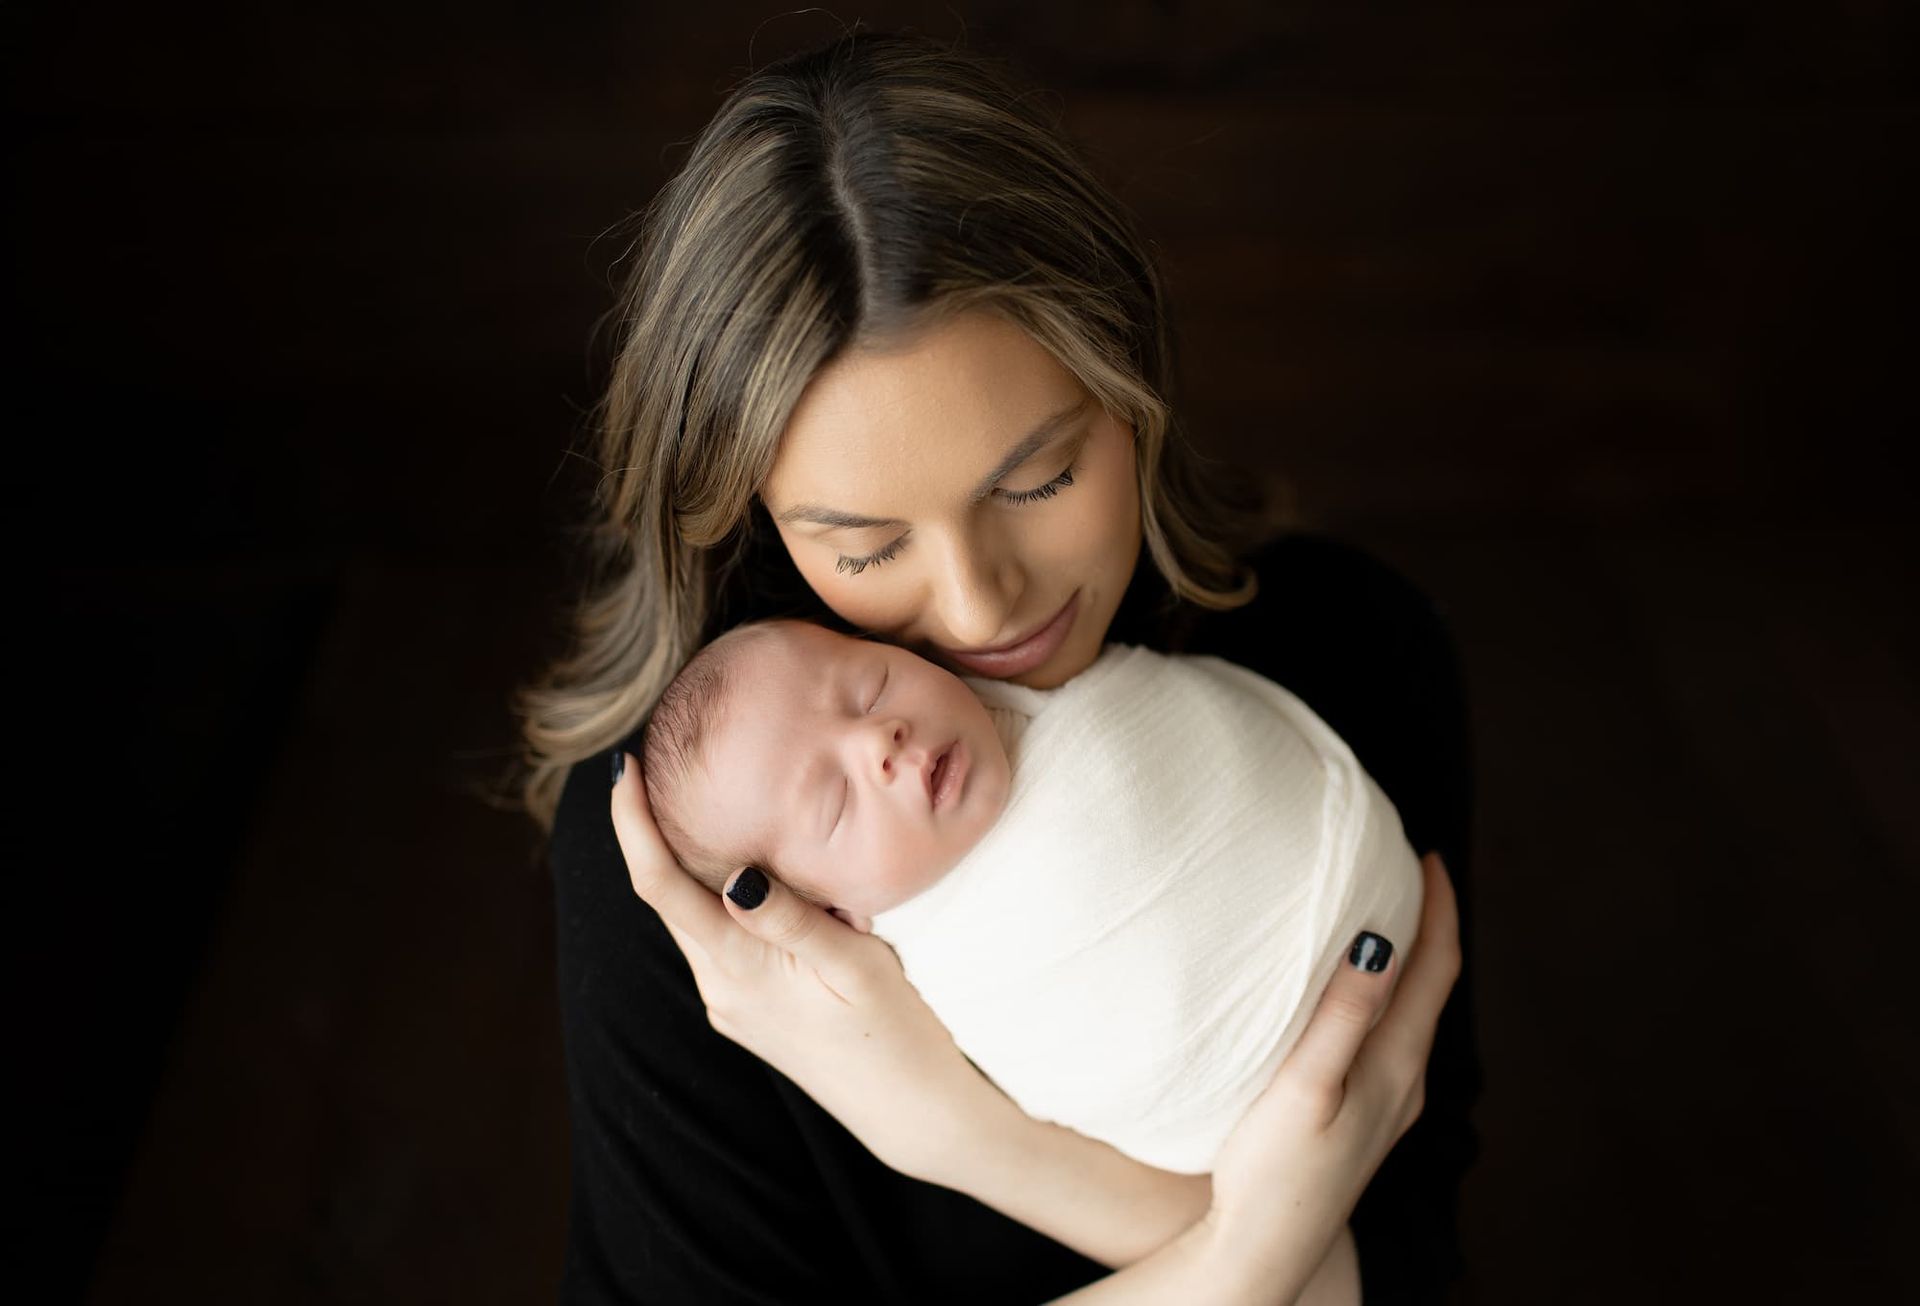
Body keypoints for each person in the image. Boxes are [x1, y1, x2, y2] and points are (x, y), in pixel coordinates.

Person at [516, 28, 1479, 1304]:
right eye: (864, 545)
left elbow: (1405, 1252)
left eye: (1039, 478)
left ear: (1128, 379)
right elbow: (1325, 1263)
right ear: (744, 509)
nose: (979, 607)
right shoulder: (704, 855)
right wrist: (1244, 1260)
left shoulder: (1346, 651)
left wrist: (966, 1135)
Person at [633, 613, 1427, 1179]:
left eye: (870, 688)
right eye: (834, 803)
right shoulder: (923, 976)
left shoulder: (1025, 680)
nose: (880, 743)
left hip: (1357, 872)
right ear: (833, 914)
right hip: (1241, 1104)